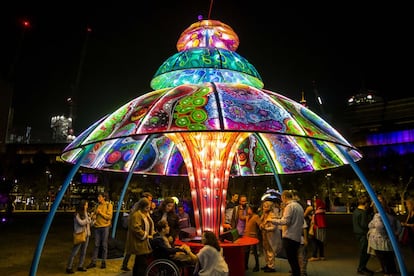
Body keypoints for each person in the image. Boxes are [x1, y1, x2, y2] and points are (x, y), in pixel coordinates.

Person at [269, 190, 304, 276]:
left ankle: (296, 274)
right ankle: (296, 273)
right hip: (297, 236)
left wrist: (272, 220)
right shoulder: (299, 206)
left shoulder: (290, 207)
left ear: (284, 197)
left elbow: (286, 221)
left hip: (289, 236)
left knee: (292, 259)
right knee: (294, 259)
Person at [367, 194, 400, 276]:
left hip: (381, 240)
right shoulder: (386, 212)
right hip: (387, 240)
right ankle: (390, 272)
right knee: (389, 258)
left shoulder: (379, 215)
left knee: (385, 258)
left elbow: (379, 227)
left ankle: (388, 272)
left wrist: (385, 235)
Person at [121, 192, 154, 271]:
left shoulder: (145, 212)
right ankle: (124, 265)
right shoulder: (137, 214)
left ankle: (126, 265)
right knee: (140, 263)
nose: (148, 208)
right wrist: (145, 235)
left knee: (139, 262)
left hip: (143, 242)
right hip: (139, 242)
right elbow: (136, 228)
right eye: (149, 199)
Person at [86, 192, 113, 269]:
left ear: (104, 197)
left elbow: (109, 217)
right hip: (97, 227)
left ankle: (103, 262)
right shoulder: (97, 205)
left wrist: (100, 213)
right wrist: (93, 216)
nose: (98, 198)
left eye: (99, 197)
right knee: (96, 245)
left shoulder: (109, 205)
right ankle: (93, 262)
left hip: (105, 227)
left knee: (104, 245)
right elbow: (94, 215)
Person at [66, 200, 92, 274]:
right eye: (86, 205)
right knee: (75, 252)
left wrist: (91, 220)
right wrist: (88, 220)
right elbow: (81, 223)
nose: (87, 206)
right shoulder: (77, 214)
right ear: (82, 205)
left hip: (86, 235)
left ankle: (80, 265)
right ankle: (69, 267)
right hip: (80, 234)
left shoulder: (86, 213)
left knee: (83, 252)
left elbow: (89, 223)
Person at [352, 194, 374, 275]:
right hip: (363, 234)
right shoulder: (363, 213)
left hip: (358, 233)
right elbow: (365, 225)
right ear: (366, 203)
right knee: (365, 252)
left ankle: (362, 267)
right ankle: (361, 268)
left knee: (364, 251)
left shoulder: (356, 211)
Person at [259, 200, 281, 273]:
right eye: (264, 206)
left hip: (271, 236)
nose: (264, 208)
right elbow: (261, 223)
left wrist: (265, 228)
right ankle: (268, 264)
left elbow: (274, 227)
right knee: (265, 250)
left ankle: (271, 267)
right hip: (265, 235)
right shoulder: (263, 215)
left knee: (270, 251)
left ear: (270, 207)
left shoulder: (272, 215)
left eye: (266, 206)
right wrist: (261, 226)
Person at [244, 204, 261, 272]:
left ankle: (257, 266)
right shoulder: (247, 217)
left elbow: (260, 224)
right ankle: (245, 265)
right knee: (246, 251)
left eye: (249, 209)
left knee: (254, 252)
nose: (248, 210)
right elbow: (241, 217)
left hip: (253, 237)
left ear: (252, 210)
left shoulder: (256, 217)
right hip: (247, 236)